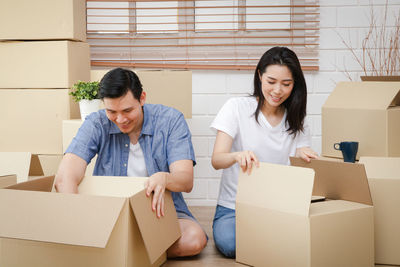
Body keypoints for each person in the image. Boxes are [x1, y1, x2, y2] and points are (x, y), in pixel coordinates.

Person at [55, 68, 207, 257]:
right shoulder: (96, 123)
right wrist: (80, 219)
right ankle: (136, 251)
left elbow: (185, 180)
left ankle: (118, 251)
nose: (120, 119)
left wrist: (164, 178)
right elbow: (64, 177)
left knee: (194, 239)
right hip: (110, 214)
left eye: (127, 110)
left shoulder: (170, 120)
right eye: (112, 111)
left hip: (160, 213)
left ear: (142, 98)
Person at [210, 46, 318, 258]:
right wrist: (236, 155)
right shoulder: (236, 107)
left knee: (309, 240)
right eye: (271, 82)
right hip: (234, 209)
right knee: (231, 245)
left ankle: (270, 239)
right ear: (259, 76)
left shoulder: (297, 119)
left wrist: (306, 156)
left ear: (294, 84)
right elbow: (217, 160)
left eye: (286, 84)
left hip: (278, 207)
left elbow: (300, 169)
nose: (277, 91)